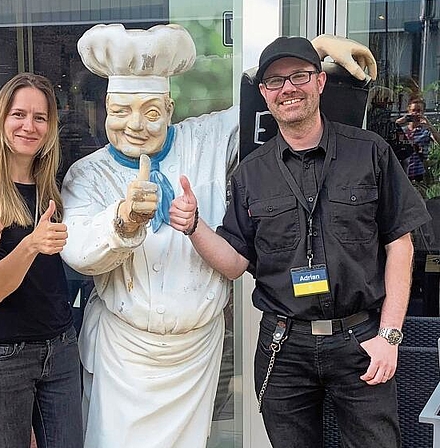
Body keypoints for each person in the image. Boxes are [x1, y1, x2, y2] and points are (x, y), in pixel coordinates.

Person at [61, 23, 378, 448]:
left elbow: (264, 96)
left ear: (170, 109)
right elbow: (79, 252)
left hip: (195, 352)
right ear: (104, 109)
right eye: (121, 112)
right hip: (126, 353)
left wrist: (314, 51)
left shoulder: (204, 139)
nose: (135, 124)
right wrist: (123, 221)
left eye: (151, 111)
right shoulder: (88, 174)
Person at [170, 36, 431, 447]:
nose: (288, 88)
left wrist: (390, 336)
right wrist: (194, 227)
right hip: (283, 345)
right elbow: (236, 261)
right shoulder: (250, 173)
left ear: (320, 82)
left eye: (299, 76)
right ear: (264, 94)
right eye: (275, 81)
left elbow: (401, 244)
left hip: (361, 340)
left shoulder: (370, 153)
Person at [0, 73, 83, 448]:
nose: (29, 126)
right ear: (1, 120)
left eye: (40, 117)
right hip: (0, 356)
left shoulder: (53, 187)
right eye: (19, 115)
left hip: (59, 347)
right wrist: (31, 244)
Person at [395, 97, 440, 181]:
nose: (415, 113)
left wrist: (429, 125)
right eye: (413, 110)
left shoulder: (425, 131)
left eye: (418, 111)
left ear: (423, 112)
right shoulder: (402, 130)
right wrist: (398, 122)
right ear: (409, 111)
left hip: (418, 174)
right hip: (402, 173)